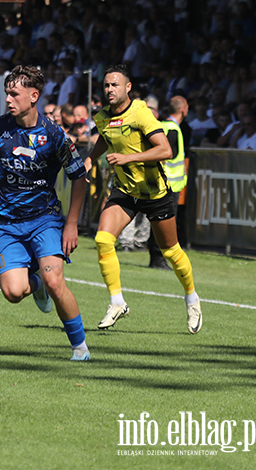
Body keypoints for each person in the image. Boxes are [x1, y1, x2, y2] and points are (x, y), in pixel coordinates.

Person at [0, 65, 91, 361]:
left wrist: (72, 224)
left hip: (45, 220)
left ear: (33, 96)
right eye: (7, 94)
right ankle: (33, 282)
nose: (8, 100)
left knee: (56, 282)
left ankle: (80, 347)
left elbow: (80, 177)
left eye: (14, 94)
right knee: (13, 293)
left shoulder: (54, 135)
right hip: (6, 224)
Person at [87, 65, 202, 334]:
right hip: (125, 191)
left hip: (155, 193)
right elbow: (105, 138)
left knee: (171, 252)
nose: (109, 89)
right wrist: (90, 158)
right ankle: (117, 302)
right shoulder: (102, 117)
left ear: (128, 87)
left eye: (115, 85)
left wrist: (127, 158)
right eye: (106, 85)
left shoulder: (140, 112)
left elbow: (165, 149)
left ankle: (192, 299)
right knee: (103, 239)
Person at [148, 95, 189, 269]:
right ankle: (158, 258)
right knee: (164, 222)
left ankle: (157, 257)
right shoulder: (172, 129)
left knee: (159, 221)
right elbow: (163, 155)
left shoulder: (164, 126)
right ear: (184, 109)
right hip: (169, 184)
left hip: (163, 183)